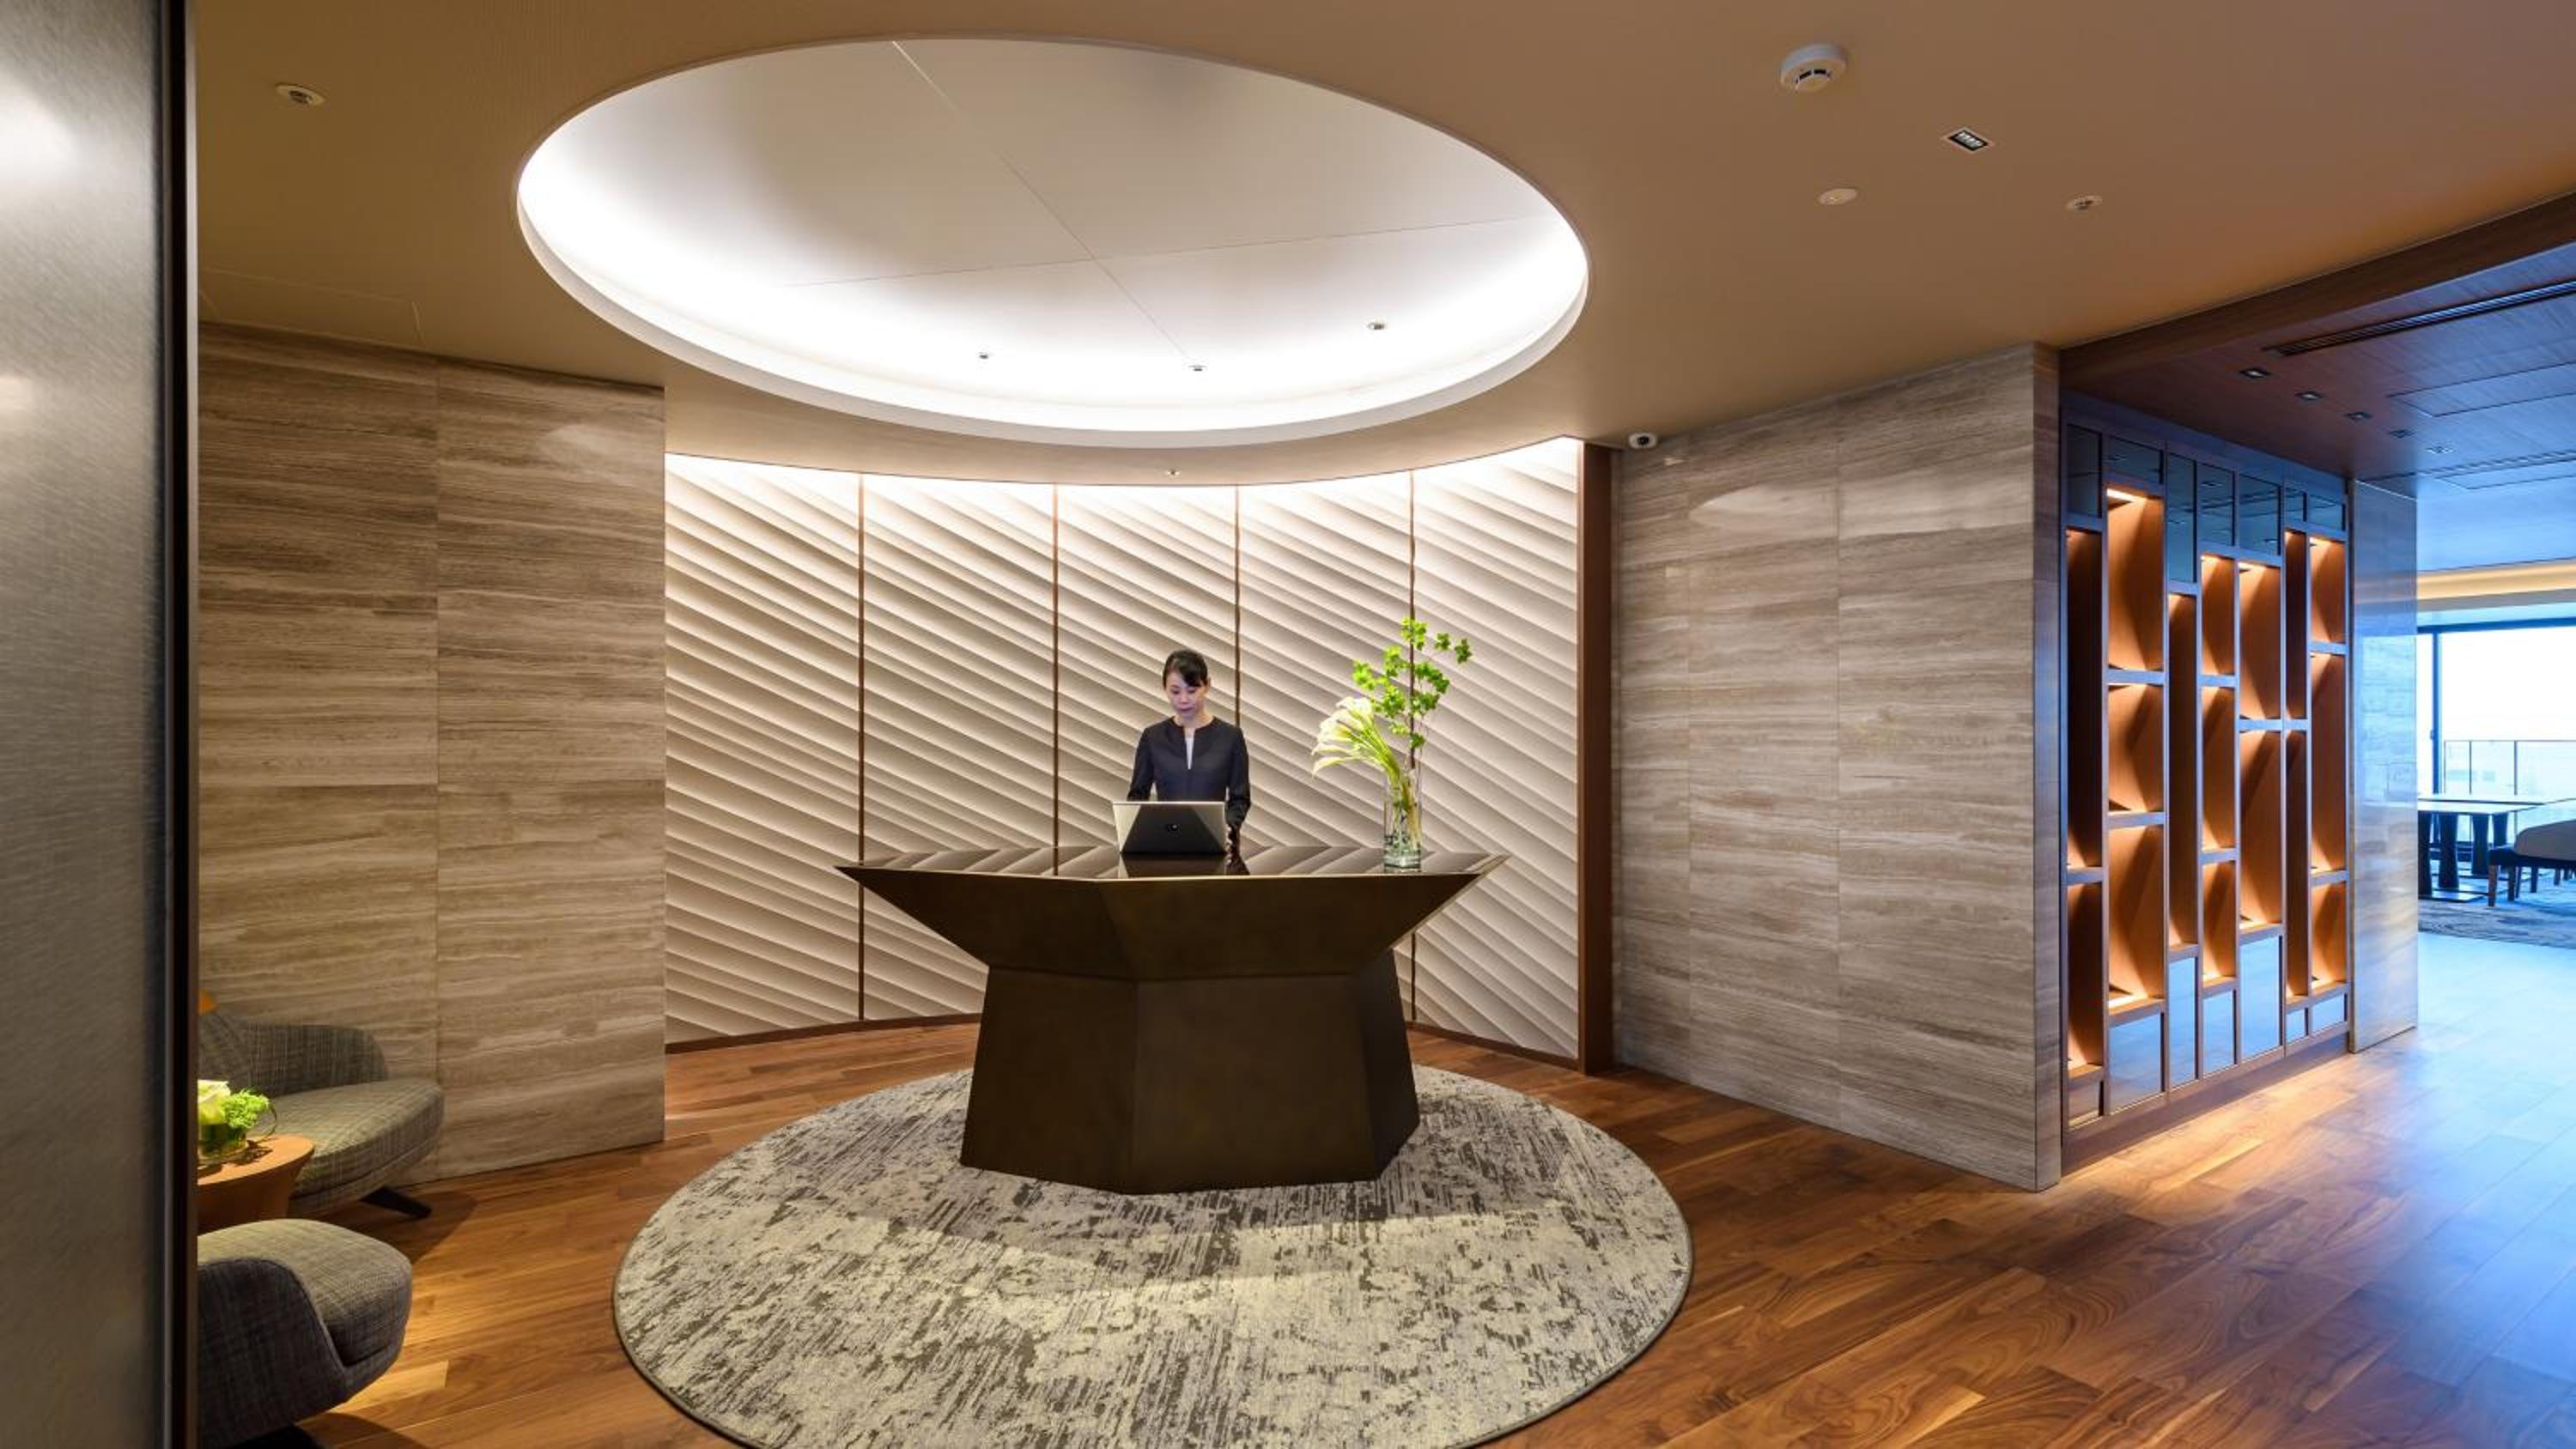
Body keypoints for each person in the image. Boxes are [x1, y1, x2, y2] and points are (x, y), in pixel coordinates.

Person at [1127, 647, 1252, 846]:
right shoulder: (1153, 737)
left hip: (1218, 844)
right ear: (1164, 688)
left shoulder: (1231, 737)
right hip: (1165, 844)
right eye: (1175, 691)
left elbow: (1240, 798)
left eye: (1192, 691)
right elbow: (1137, 796)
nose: (1183, 700)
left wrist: (1228, 826)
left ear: (1207, 685)